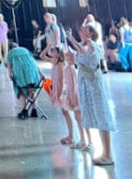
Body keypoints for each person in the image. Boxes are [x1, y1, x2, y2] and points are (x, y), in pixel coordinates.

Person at [67, 23, 116, 167]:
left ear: (90, 32)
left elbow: (83, 53)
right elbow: (80, 53)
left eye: (84, 29)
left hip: (94, 86)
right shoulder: (85, 44)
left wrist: (71, 40)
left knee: (102, 117)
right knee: (97, 118)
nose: (81, 30)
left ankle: (108, 154)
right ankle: (103, 152)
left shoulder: (91, 45)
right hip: (87, 85)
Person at [41, 43, 85, 147]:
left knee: (72, 112)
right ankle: (71, 136)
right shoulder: (54, 61)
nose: (51, 52)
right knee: (65, 112)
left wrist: (59, 94)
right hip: (58, 89)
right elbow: (42, 56)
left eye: (54, 50)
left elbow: (61, 80)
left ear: (59, 53)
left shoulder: (61, 64)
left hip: (63, 90)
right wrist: (47, 47)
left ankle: (75, 136)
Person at [6, 41, 41, 117]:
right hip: (32, 70)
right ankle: (34, 110)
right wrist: (41, 74)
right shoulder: (25, 50)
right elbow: (33, 62)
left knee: (19, 90)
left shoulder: (10, 53)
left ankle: (25, 110)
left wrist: (10, 75)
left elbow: (9, 66)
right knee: (32, 89)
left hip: (20, 73)